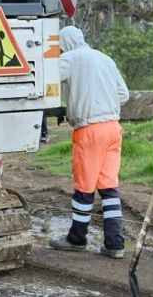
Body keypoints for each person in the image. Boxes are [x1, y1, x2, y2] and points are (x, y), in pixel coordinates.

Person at [49, 26, 130, 258]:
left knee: (84, 188)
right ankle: (115, 245)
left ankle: (77, 239)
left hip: (90, 130)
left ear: (64, 43)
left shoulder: (70, 58)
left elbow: (47, 78)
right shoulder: (105, 58)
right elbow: (123, 94)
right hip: (113, 127)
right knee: (108, 186)